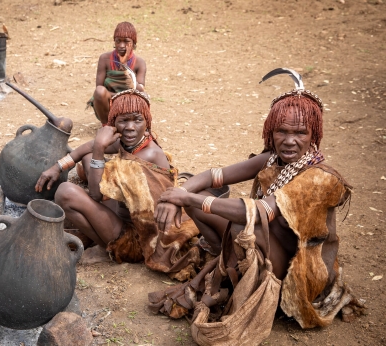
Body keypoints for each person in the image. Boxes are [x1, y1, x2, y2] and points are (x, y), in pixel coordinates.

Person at [152, 68, 365, 329]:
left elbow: (259, 211)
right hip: (265, 246)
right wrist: (181, 195)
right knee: (203, 196)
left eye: (300, 133)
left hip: (294, 272)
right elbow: (213, 176)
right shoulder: (273, 159)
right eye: (282, 132)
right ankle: (230, 266)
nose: (289, 141)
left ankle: (249, 283)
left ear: (314, 135)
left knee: (244, 225)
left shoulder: (318, 178)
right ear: (270, 132)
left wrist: (190, 200)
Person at [37, 90, 200, 278]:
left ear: (147, 122)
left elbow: (96, 194)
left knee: (66, 192)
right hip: (128, 214)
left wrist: (100, 148)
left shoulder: (147, 156)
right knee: (89, 158)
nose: (130, 127)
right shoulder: (136, 141)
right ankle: (101, 235)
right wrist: (58, 166)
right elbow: (88, 147)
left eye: (137, 120)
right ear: (113, 124)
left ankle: (108, 248)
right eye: (123, 121)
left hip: (140, 240)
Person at [86, 22, 147, 125]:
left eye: (127, 41)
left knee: (143, 97)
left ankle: (131, 125)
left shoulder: (139, 62)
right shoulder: (105, 59)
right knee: (99, 92)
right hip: (109, 102)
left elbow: (140, 91)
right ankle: (106, 125)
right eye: (118, 41)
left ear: (134, 43)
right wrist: (119, 97)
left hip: (130, 103)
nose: (121, 45)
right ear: (114, 42)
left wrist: (126, 70)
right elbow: (99, 89)